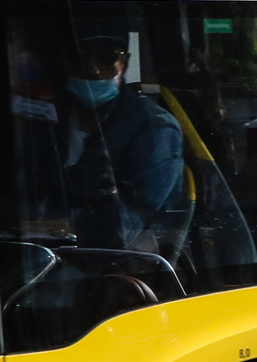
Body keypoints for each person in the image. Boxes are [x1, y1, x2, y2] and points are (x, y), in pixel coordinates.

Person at [59, 35, 189, 253]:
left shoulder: (154, 129)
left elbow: (122, 229)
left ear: (125, 63)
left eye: (106, 57)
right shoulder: (46, 118)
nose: (93, 69)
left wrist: (56, 224)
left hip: (124, 268)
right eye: (80, 56)